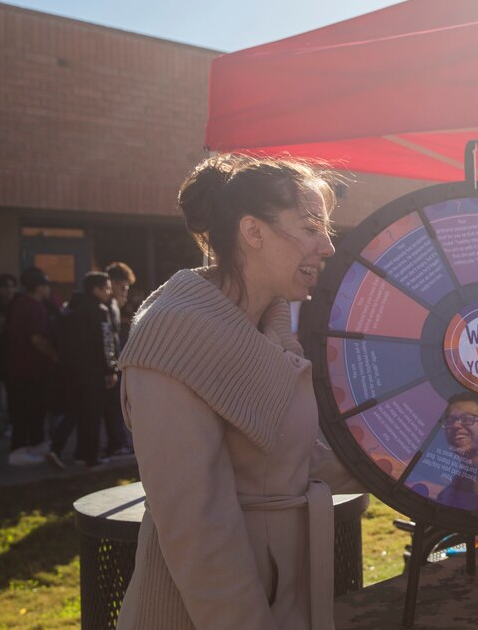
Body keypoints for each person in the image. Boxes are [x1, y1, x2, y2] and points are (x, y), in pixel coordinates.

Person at [116, 153, 361, 630]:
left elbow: (290, 462)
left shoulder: (267, 328)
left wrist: (403, 464)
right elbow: (197, 530)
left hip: (286, 599)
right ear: (253, 232)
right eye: (311, 228)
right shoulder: (172, 336)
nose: (328, 247)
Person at [48, 272, 118, 470]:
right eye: (106, 288)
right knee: (92, 415)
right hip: (93, 371)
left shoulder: (71, 309)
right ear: (95, 289)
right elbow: (105, 341)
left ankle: (57, 448)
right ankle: (90, 457)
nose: (109, 292)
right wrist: (110, 369)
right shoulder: (99, 310)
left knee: (74, 412)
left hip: (70, 371)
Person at [5, 266, 58, 466]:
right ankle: (18, 450)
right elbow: (36, 338)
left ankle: (36, 443)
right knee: (27, 409)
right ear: (39, 287)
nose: (49, 290)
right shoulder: (34, 307)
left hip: (18, 367)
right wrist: (55, 355)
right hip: (29, 369)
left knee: (31, 408)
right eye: (46, 286)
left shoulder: (18, 304)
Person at [101, 261, 135, 458]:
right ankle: (118, 444)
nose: (125, 293)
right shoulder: (108, 306)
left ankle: (116, 442)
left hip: (107, 364)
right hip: (109, 365)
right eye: (123, 288)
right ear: (111, 283)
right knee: (115, 403)